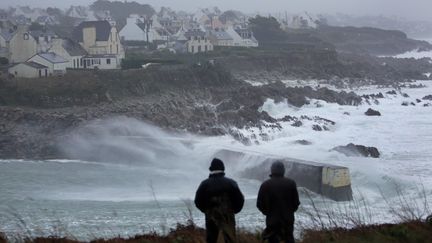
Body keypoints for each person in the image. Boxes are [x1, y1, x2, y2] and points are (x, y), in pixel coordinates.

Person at [194, 158, 245, 243]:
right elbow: (240, 200)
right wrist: (234, 211)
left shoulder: (204, 184)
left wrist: (206, 211)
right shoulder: (231, 183)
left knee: (211, 240)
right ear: (223, 169)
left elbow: (197, 201)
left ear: (211, 169)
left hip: (210, 217)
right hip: (228, 216)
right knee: (230, 240)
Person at [257, 161, 300, 243]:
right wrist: (289, 211)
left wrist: (268, 213)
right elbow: (296, 203)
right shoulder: (291, 183)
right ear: (283, 170)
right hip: (288, 220)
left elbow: (259, 204)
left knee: (273, 240)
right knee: (289, 239)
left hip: (272, 221)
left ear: (271, 170)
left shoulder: (265, 185)